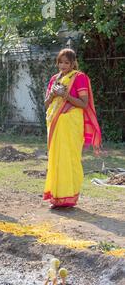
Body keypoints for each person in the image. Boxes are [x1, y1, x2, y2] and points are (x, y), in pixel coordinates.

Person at [44, 48, 101, 209]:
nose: (63, 65)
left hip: (71, 124)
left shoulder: (79, 77)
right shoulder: (55, 79)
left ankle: (69, 197)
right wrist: (53, 95)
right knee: (55, 158)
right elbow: (46, 104)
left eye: (66, 62)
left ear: (73, 63)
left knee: (69, 158)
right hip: (55, 123)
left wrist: (65, 95)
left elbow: (84, 103)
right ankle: (56, 197)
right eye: (60, 62)